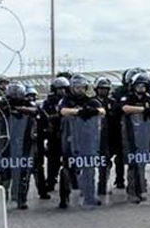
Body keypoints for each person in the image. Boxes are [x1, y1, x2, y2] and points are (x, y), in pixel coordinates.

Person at [0, 82, 38, 209]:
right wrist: (2, 110)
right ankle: (3, 197)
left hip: (24, 141)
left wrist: (20, 109)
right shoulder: (2, 102)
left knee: (24, 171)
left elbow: (37, 111)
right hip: (5, 141)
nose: (15, 95)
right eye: (13, 93)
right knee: (4, 171)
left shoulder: (28, 103)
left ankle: (21, 199)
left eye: (17, 93)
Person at [60, 74, 106, 208]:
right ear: (72, 88)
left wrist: (92, 110)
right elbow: (63, 111)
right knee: (68, 168)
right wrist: (78, 112)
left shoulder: (91, 100)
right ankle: (65, 197)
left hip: (88, 139)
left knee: (89, 168)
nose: (79, 90)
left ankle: (89, 196)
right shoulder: (66, 100)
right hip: (70, 138)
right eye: (77, 87)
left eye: (82, 87)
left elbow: (102, 111)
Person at [120, 71, 150, 203]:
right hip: (130, 134)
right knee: (133, 163)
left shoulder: (148, 97)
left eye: (143, 86)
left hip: (145, 133)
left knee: (142, 162)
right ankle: (132, 191)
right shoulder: (128, 97)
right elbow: (125, 108)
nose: (141, 88)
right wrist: (144, 110)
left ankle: (140, 189)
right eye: (138, 85)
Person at [41, 76, 69, 196]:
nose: (61, 91)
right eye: (59, 89)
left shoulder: (69, 100)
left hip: (68, 132)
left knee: (70, 157)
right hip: (54, 133)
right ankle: (51, 180)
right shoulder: (49, 101)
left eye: (63, 88)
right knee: (53, 158)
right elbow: (44, 115)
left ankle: (73, 180)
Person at [94, 76, 115, 196]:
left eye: (106, 89)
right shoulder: (91, 102)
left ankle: (102, 185)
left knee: (105, 162)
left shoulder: (112, 102)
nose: (103, 91)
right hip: (93, 137)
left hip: (109, 136)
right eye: (101, 88)